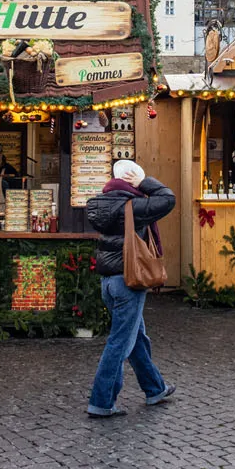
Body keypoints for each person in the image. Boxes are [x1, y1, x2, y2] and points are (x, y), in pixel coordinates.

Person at [85, 159, 176, 418]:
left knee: (135, 337)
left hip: (108, 282)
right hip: (129, 281)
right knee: (119, 343)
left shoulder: (99, 203)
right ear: (132, 178)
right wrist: (144, 182)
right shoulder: (134, 206)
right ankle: (101, 401)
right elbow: (168, 198)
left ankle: (154, 388)